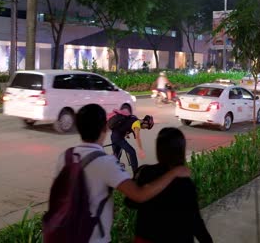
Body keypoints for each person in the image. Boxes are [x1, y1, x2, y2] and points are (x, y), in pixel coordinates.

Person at [54, 104, 190, 243]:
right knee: (128, 152)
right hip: (92, 237)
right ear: (105, 128)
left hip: (65, 234)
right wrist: (173, 173)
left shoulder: (65, 157)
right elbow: (138, 195)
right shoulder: (106, 163)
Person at [126, 127, 213, 243]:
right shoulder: (184, 182)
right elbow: (194, 220)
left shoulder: (144, 172)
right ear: (181, 150)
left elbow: (130, 202)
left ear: (159, 149)